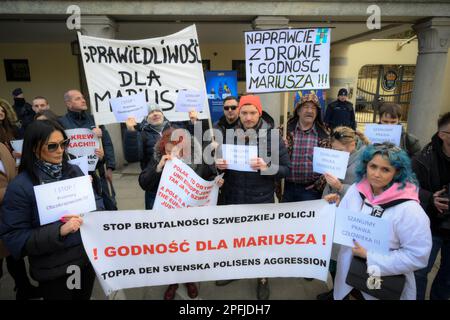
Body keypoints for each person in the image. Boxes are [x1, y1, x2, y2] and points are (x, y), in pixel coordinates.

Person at [0, 120, 96, 300]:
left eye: (63, 144)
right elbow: (14, 238)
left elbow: (94, 211)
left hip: (85, 261)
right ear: (35, 148)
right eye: (52, 146)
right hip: (54, 269)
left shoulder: (74, 171)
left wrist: (88, 197)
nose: (60, 150)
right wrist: (59, 231)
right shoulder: (20, 187)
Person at [324, 143, 432, 300]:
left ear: (397, 172)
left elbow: (418, 256)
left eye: (385, 169)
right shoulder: (356, 190)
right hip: (348, 278)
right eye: (373, 166)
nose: (376, 174)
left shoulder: (410, 209)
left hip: (383, 285)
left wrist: (370, 256)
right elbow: (343, 225)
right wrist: (332, 207)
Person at [214, 94, 291, 300]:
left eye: (252, 112)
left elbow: (286, 170)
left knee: (260, 243)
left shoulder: (273, 137)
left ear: (259, 113)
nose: (248, 117)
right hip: (233, 197)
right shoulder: (228, 135)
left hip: (260, 200)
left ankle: (262, 278)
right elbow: (220, 166)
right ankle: (235, 271)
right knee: (236, 240)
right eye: (244, 112)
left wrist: (266, 167)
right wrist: (218, 166)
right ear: (238, 113)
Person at [139, 127, 222, 299]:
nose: (174, 155)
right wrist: (159, 168)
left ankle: (189, 279)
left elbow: (211, 176)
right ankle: (173, 281)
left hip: (191, 215)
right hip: (169, 215)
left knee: (189, 249)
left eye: (179, 150)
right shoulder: (159, 159)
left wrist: (217, 182)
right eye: (169, 151)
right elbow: (144, 183)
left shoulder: (201, 159)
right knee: (171, 250)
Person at [317, 126, 370, 300]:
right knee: (332, 254)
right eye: (333, 149)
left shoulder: (366, 160)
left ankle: (350, 292)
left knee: (345, 256)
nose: (335, 153)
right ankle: (337, 291)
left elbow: (368, 191)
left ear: (352, 145)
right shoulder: (338, 154)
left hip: (351, 215)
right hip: (332, 207)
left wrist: (340, 187)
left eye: (339, 150)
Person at [413, 112, 450, 300]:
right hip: (430, 225)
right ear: (443, 135)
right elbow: (408, 188)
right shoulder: (422, 158)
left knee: (447, 277)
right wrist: (430, 199)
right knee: (420, 272)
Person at [59, 89, 116, 210]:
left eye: (83, 97)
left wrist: (109, 165)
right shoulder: (61, 123)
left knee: (109, 207)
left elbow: (107, 144)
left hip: (98, 172)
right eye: (78, 98)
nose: (83, 100)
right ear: (68, 104)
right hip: (75, 174)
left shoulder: (95, 120)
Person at [0, 141, 41, 300]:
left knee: (14, 255)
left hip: (10, 215)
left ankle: (24, 288)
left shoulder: (2, 146)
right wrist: (17, 190)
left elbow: (13, 173)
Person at [282, 93, 330, 202]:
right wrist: (280, 147)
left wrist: (318, 185)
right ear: (298, 111)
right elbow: (272, 157)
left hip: (311, 191)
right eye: (306, 107)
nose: (310, 111)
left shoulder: (325, 134)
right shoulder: (284, 131)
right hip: (287, 188)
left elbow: (330, 165)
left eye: (314, 108)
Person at [124, 106, 173, 209]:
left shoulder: (175, 130)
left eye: (158, 111)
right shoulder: (141, 135)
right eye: (151, 112)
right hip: (154, 187)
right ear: (146, 118)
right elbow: (132, 157)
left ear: (163, 115)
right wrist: (131, 131)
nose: (155, 114)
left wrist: (194, 123)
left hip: (177, 186)